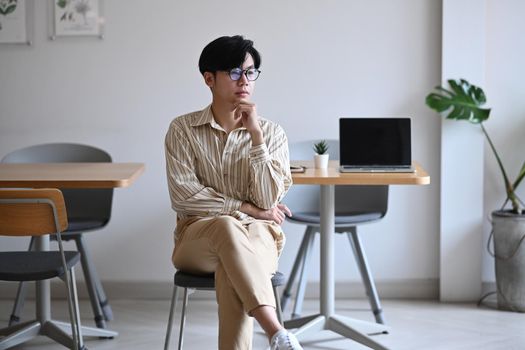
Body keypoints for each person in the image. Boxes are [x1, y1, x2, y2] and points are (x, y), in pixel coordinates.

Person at [165, 35, 303, 350]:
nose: (245, 80)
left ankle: (277, 337)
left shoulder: (271, 133)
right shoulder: (182, 130)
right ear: (209, 78)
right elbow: (184, 196)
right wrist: (247, 208)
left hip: (260, 236)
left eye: (251, 72)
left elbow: (269, 201)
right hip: (196, 239)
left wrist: (256, 138)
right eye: (235, 72)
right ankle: (275, 331)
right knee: (227, 228)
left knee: (233, 268)